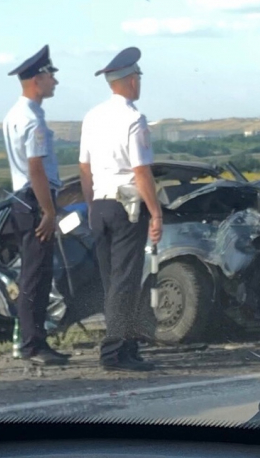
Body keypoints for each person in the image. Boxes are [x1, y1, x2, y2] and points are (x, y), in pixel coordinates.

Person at [79, 46, 161, 372]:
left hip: (99, 203)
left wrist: (90, 205)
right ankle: (115, 352)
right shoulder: (134, 119)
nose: (139, 82)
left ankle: (126, 346)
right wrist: (156, 212)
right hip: (127, 205)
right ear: (129, 81)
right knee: (125, 281)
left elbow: (84, 167)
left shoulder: (92, 116)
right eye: (138, 76)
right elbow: (141, 172)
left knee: (111, 280)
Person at [2, 45, 69, 366]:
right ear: (37, 79)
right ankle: (33, 343)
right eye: (50, 75)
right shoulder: (32, 120)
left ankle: (32, 339)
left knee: (33, 272)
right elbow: (36, 169)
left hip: (24, 200)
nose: (54, 81)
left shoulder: (15, 114)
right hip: (35, 200)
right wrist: (49, 211)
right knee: (37, 275)